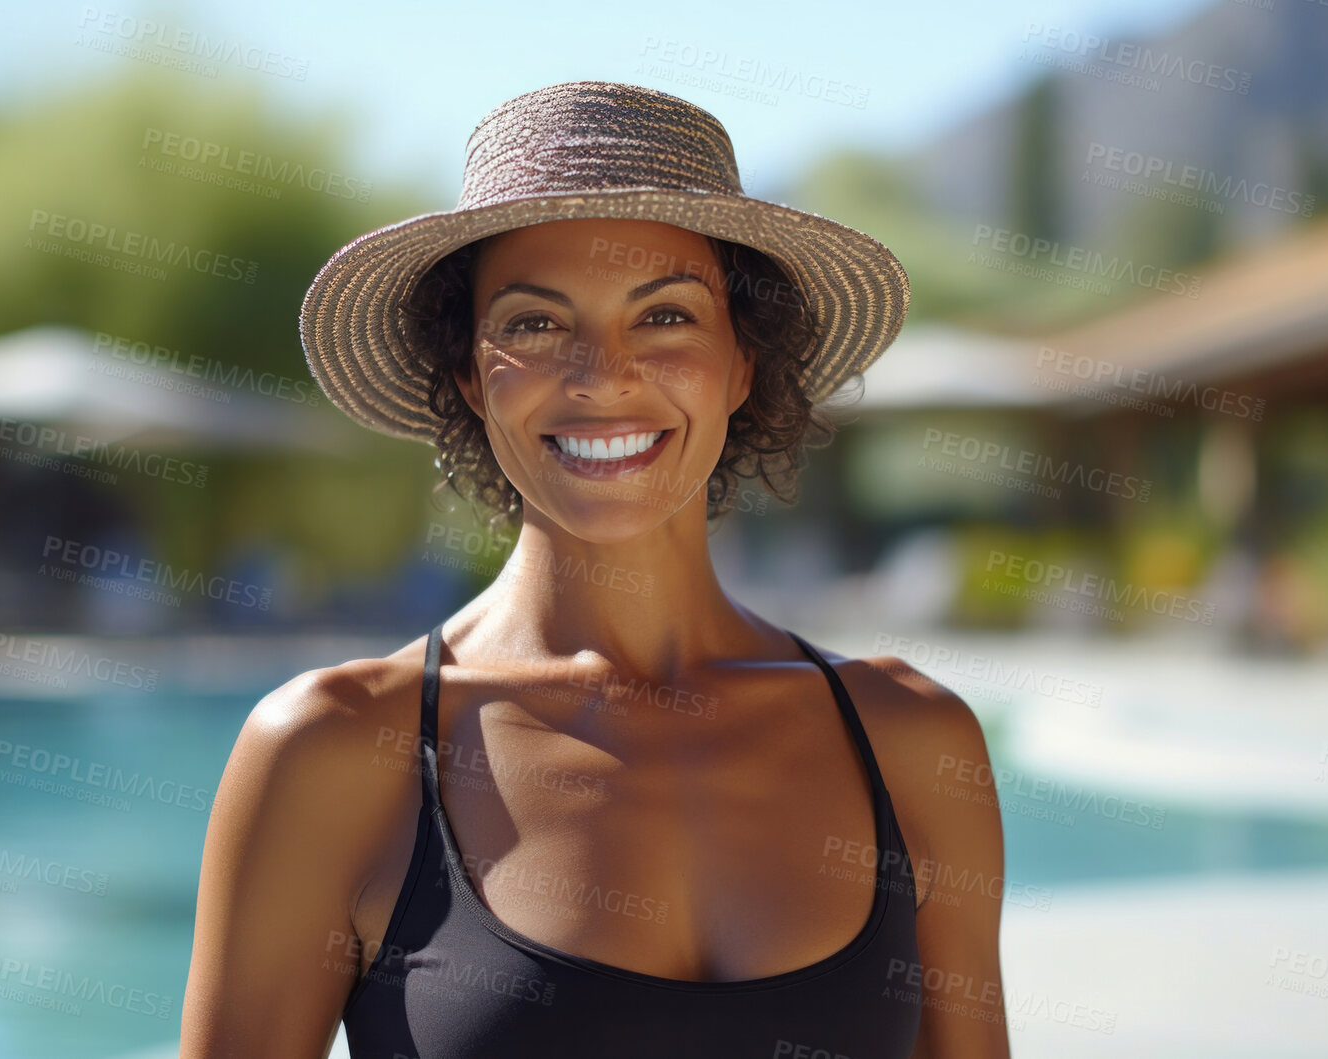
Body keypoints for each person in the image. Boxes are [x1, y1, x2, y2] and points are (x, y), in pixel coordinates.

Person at [180, 80, 1009, 1059]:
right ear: (465, 374)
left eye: (663, 317)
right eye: (533, 324)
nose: (601, 375)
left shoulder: (912, 741)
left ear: (742, 363)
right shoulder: (331, 750)